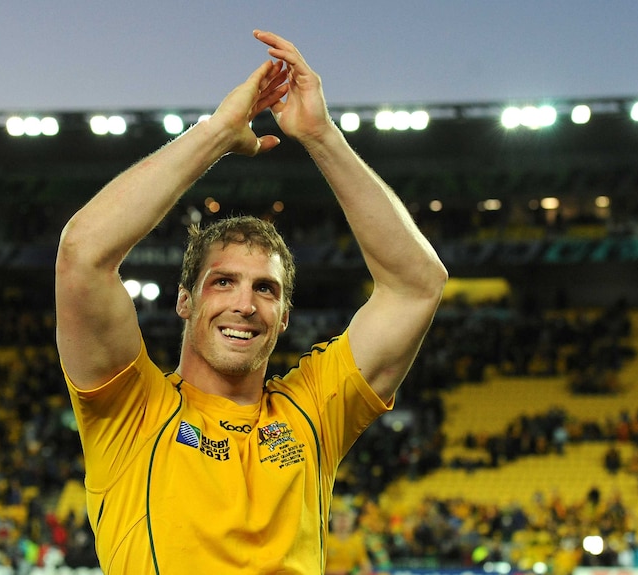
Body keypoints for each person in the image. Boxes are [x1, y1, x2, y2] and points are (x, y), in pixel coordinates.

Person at [55, 29, 447, 574]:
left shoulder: (312, 412)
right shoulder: (131, 410)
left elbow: (418, 284)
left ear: (284, 317)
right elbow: (82, 255)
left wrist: (321, 136)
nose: (245, 304)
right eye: (223, 282)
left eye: (266, 289)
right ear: (185, 301)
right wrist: (215, 133)